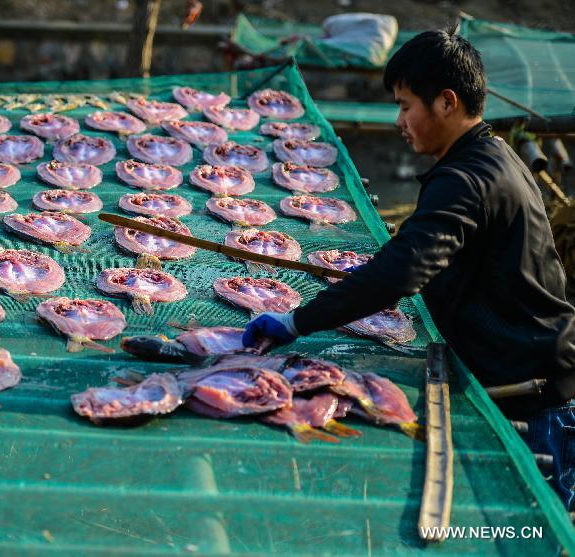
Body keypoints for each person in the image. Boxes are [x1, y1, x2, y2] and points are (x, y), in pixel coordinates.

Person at [242, 29, 575, 507]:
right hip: (537, 373)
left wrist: (298, 320)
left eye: (405, 106)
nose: (399, 120)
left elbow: (404, 271)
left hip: (536, 398)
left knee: (530, 532)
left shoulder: (465, 177)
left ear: (446, 102)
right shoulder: (492, 154)